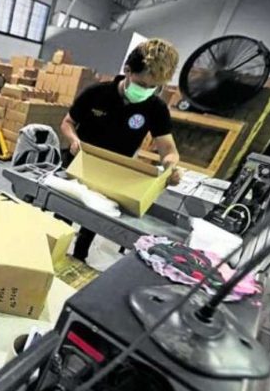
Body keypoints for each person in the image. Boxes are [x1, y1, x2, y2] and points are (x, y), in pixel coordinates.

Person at [60, 38, 181, 263]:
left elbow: (168, 150)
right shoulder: (96, 93)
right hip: (78, 164)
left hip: (113, 174)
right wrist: (74, 140)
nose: (145, 91)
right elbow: (67, 123)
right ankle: (53, 249)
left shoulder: (155, 108)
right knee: (63, 215)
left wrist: (170, 166)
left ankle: (79, 257)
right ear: (127, 71)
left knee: (95, 219)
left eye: (152, 87)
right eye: (142, 84)